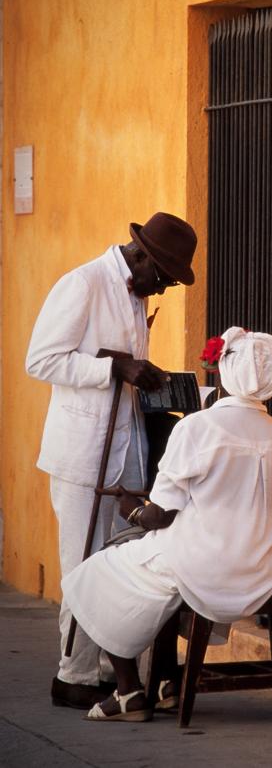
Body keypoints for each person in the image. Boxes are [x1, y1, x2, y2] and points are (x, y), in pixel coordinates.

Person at [61, 327, 272, 722]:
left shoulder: (197, 427)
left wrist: (131, 506)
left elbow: (159, 516)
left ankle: (129, 691)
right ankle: (167, 681)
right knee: (157, 575)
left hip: (206, 566)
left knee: (98, 571)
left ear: (221, 373)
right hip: (262, 570)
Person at [25, 212, 198, 710]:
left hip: (126, 451)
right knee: (82, 563)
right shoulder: (82, 284)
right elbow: (40, 360)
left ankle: (111, 673)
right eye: (161, 277)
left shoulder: (136, 292)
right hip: (83, 453)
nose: (161, 289)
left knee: (120, 567)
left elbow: (122, 369)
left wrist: (145, 376)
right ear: (140, 255)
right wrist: (114, 366)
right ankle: (72, 675)